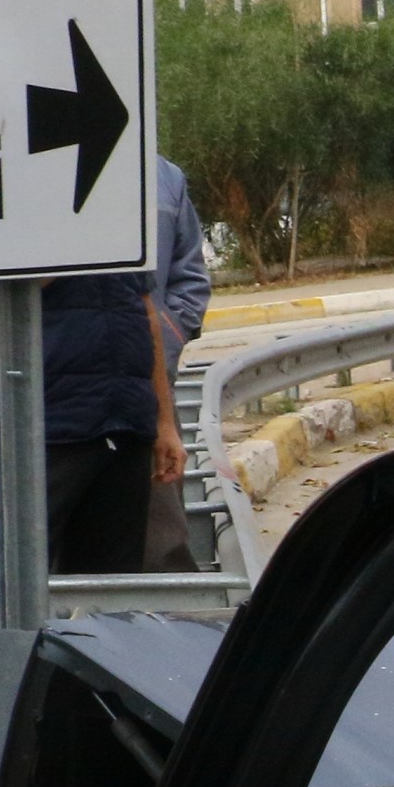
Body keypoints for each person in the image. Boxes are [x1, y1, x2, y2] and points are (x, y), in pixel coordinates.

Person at [0, 260, 182, 627]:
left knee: (109, 605)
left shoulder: (116, 213)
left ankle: (80, 687)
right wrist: (73, 238)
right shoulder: (5, 211)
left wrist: (163, 421)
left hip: (123, 423)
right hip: (34, 429)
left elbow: (144, 310)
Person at [136, 157, 216, 573]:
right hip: (67, 393)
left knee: (162, 534)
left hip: (153, 389)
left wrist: (164, 340)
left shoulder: (165, 178)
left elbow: (191, 277)